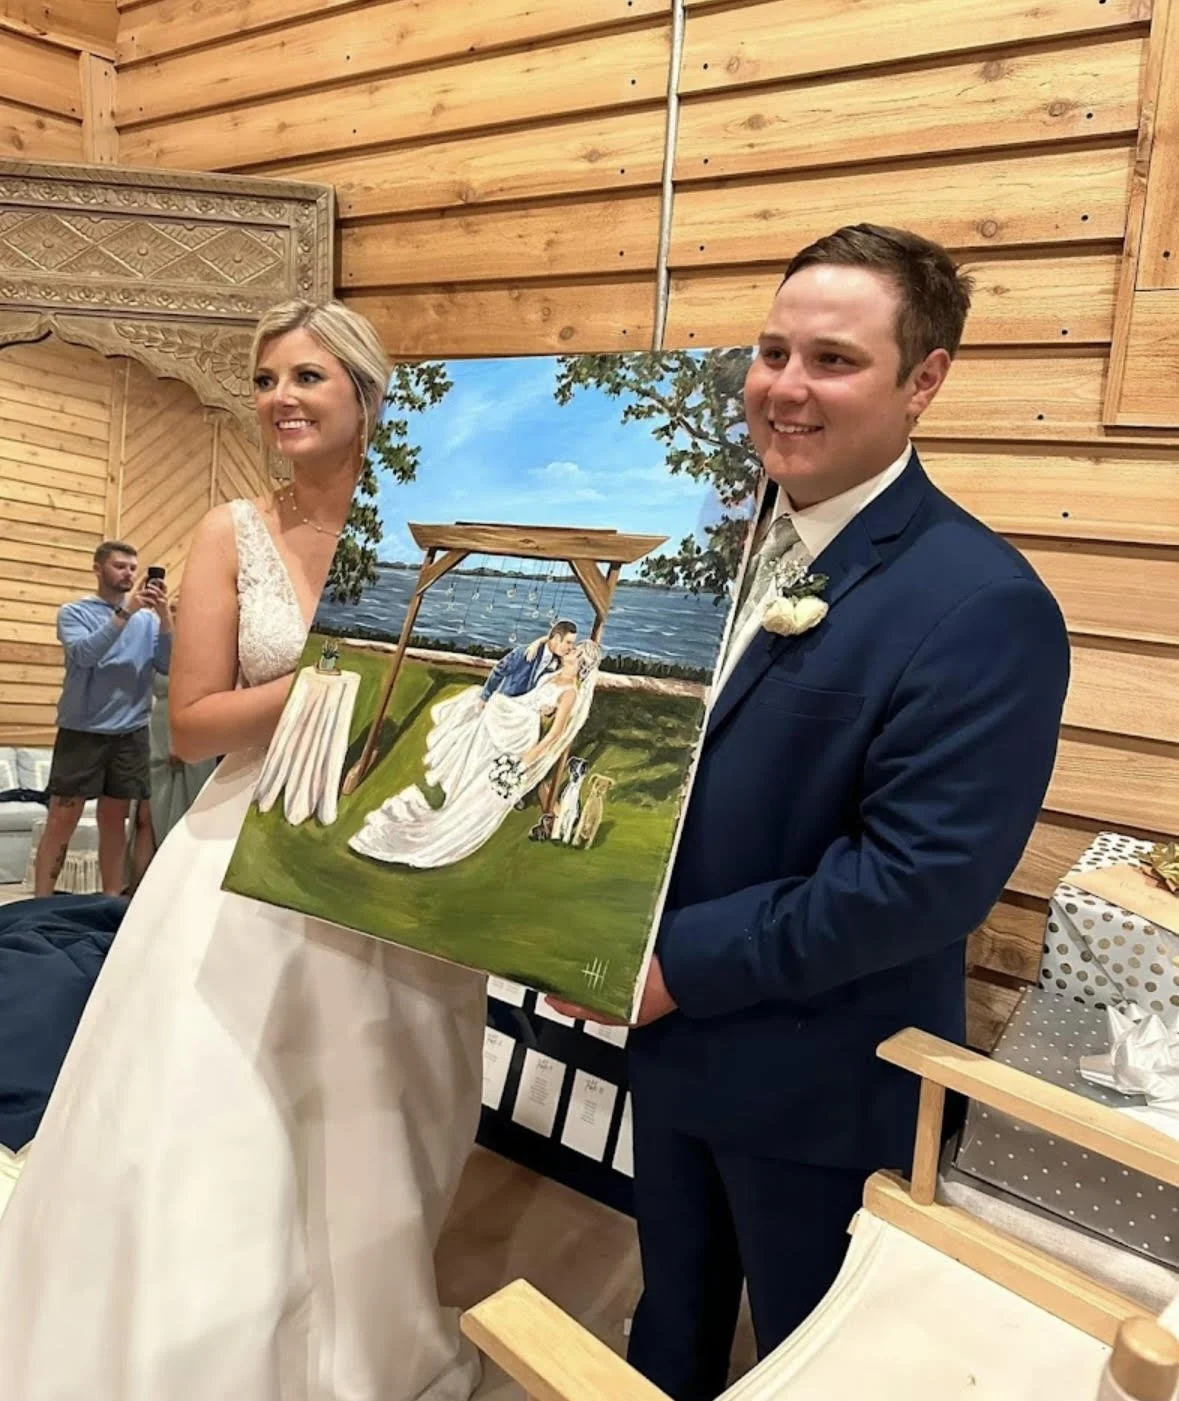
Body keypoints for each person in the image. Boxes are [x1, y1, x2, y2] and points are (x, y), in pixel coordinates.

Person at [556, 224, 1071, 1401]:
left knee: (808, 1353)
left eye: (832, 360)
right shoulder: (718, 548)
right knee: (671, 1315)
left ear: (924, 380)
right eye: (772, 349)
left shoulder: (982, 602)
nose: (783, 387)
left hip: (819, 1077)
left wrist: (671, 964)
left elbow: (920, 881)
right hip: (674, 1042)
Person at [0, 300, 488, 1401]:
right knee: (229, 1106)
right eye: (266, 380)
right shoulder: (231, 531)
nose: (279, 400)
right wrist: (340, 679)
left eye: (307, 377)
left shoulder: (434, 539)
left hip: (397, 851)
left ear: (365, 394)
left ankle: (363, 1332)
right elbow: (192, 723)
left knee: (389, 1098)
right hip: (245, 845)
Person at [350, 639, 602, 869]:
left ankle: (450, 826)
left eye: (576, 653)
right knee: (478, 724)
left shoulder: (570, 692)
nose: (570, 651)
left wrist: (526, 761)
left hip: (519, 732)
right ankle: (452, 782)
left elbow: (555, 734)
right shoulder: (554, 675)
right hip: (512, 720)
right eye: (573, 648)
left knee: (483, 783)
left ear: (581, 664)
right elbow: (537, 700)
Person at [33, 539, 171, 897]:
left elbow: (168, 665)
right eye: (119, 566)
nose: (128, 573)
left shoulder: (148, 619)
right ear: (98, 568)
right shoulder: (74, 613)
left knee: (115, 822)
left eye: (132, 567)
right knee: (62, 820)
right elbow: (84, 655)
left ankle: (109, 901)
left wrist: (165, 617)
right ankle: (40, 901)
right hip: (83, 732)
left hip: (131, 734)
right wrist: (125, 615)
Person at [147, 593, 217, 847]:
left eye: (180, 609)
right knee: (152, 808)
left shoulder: (204, 647)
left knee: (191, 801)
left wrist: (180, 739)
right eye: (172, 609)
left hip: (192, 727)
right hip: (157, 729)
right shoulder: (157, 645)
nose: (176, 614)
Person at [477, 619, 577, 704]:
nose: (570, 648)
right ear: (557, 638)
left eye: (572, 644)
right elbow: (499, 671)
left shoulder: (559, 662)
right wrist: (484, 698)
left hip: (526, 710)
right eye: (568, 642)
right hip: (505, 702)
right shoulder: (525, 652)